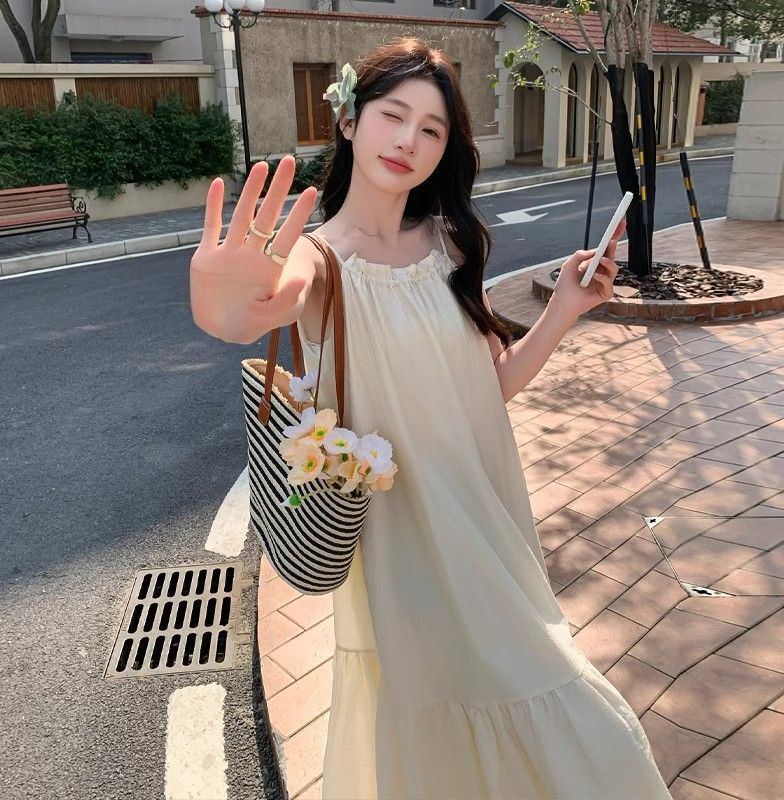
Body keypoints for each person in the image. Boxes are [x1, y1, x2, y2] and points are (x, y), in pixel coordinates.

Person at [190, 36, 671, 800]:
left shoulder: (450, 244)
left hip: (488, 517)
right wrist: (225, 309)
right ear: (350, 120)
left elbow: (489, 387)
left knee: (545, 688)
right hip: (404, 544)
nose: (408, 139)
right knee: (462, 701)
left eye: (432, 128)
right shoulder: (320, 260)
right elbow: (263, 305)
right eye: (393, 114)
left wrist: (566, 308)